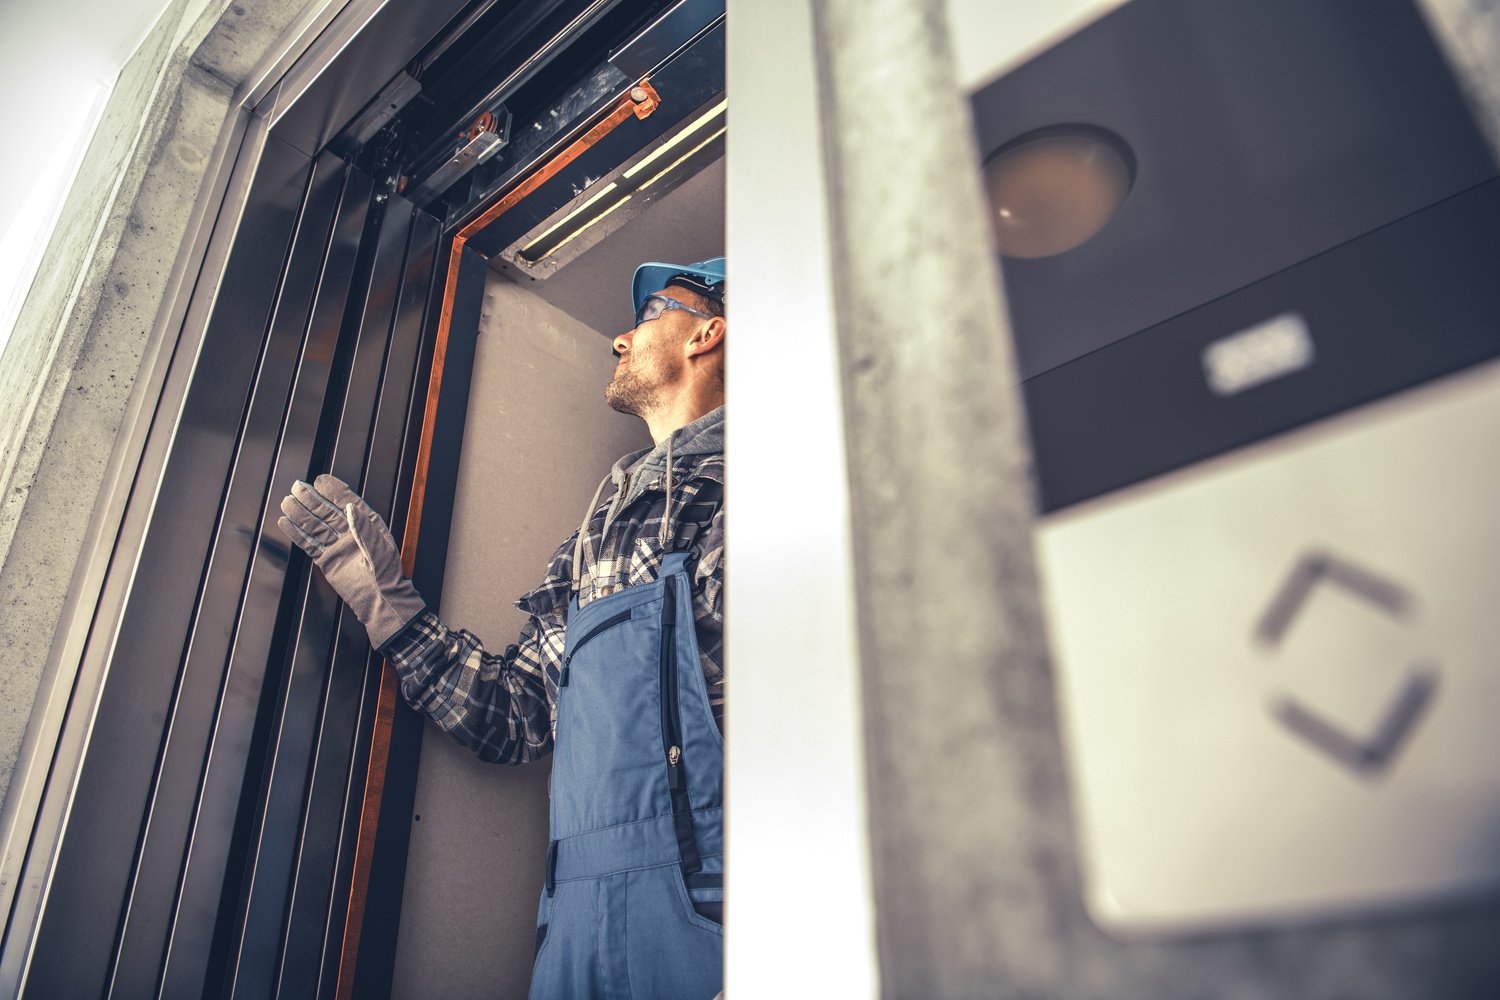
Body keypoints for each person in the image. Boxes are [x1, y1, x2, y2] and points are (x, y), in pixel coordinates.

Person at [276, 258, 728, 999]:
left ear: (709, 332)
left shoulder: (763, 484)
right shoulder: (597, 533)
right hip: (571, 928)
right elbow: (514, 716)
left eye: (651, 312)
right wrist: (385, 600)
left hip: (715, 915)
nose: (620, 339)